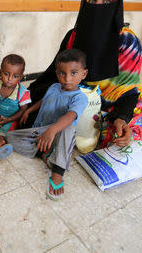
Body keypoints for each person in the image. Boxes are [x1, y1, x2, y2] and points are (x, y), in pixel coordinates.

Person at [28, 0, 142, 149]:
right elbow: (56, 74)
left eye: (106, 2)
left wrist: (121, 117)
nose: (99, 8)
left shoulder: (127, 42)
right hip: (73, 95)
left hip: (112, 106)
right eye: (92, 2)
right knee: (31, 105)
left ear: (117, 5)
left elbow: (128, 90)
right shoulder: (74, 37)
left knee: (132, 133)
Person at [7, 49, 88, 200]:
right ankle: (44, 154)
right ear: (57, 72)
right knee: (10, 137)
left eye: (73, 73)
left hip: (58, 136)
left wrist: (52, 130)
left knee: (69, 128)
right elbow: (44, 101)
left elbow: (71, 116)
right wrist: (29, 110)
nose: (67, 79)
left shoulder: (80, 98)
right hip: (41, 133)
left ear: (84, 74)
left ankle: (58, 172)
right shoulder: (54, 87)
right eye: (62, 73)